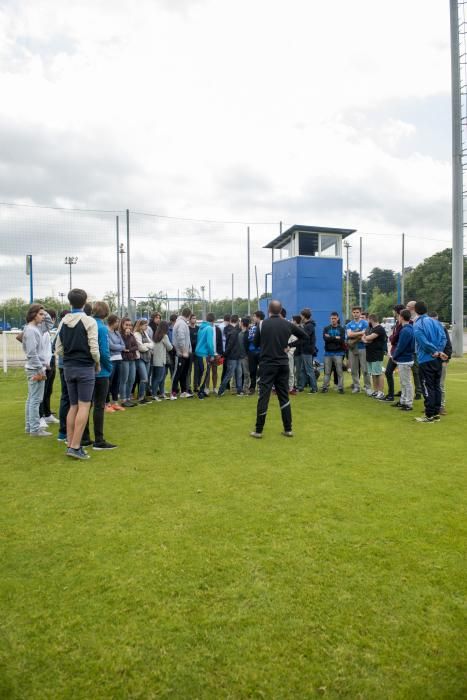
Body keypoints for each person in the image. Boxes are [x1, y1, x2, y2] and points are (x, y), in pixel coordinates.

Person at [250, 300, 306, 438]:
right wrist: (289, 344)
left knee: (264, 396)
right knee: (284, 396)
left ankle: (258, 430)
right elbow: (305, 336)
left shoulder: (262, 324)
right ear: (280, 311)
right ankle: (288, 429)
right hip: (282, 364)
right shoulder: (288, 324)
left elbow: (256, 343)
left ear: (269, 310)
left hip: (267, 364)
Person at [55, 288, 100, 460]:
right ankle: (75, 446)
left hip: (68, 367)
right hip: (84, 367)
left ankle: (70, 443)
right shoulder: (89, 321)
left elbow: (58, 348)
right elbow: (94, 348)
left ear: (69, 302)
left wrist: (69, 357)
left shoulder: (63, 321)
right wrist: (96, 362)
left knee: (73, 406)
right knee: (84, 406)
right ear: (85, 301)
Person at [81, 301, 117, 450]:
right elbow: (104, 351)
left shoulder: (85, 324)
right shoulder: (101, 328)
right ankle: (99, 440)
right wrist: (108, 367)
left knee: (85, 405)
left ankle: (84, 437)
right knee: (99, 405)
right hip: (100, 371)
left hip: (86, 369)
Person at [413, 301, 448, 422]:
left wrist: (435, 351)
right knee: (436, 385)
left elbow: (423, 342)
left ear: (415, 310)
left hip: (426, 359)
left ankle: (429, 415)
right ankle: (436, 413)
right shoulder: (436, 322)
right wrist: (439, 351)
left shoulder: (418, 324)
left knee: (428, 387)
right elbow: (444, 338)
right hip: (437, 359)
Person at [22, 304, 51, 437]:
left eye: (43, 314)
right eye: (40, 314)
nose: (43, 317)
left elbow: (50, 324)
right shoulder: (31, 330)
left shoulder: (37, 328)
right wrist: (41, 369)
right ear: (33, 314)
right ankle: (34, 429)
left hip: (36, 367)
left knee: (32, 399)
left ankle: (30, 427)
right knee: (35, 400)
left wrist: (43, 309)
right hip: (35, 369)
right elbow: (31, 353)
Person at [391, 309, 415, 412]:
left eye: (398, 316)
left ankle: (408, 403)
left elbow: (401, 346)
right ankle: (403, 401)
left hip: (405, 359)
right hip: (405, 359)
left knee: (406, 383)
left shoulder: (405, 330)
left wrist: (394, 356)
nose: (398, 318)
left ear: (401, 317)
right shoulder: (409, 329)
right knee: (404, 382)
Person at [38, 308, 59, 427]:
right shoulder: (39, 331)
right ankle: (40, 416)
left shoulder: (47, 332)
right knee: (42, 391)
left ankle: (47, 413)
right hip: (43, 365)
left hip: (50, 361)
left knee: (48, 390)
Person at [428, 312, 452, 415]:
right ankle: (432, 406)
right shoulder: (428, 330)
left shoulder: (442, 329)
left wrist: (446, 360)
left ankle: (441, 406)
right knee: (430, 384)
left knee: (440, 384)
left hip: (441, 360)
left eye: (436, 320)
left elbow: (448, 345)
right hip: (430, 360)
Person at [346, 306, 372, 394]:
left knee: (365, 369)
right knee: (354, 369)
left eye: (357, 312)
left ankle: (368, 387)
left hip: (363, 348)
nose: (355, 314)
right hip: (352, 348)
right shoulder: (349, 324)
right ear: (352, 313)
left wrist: (354, 334)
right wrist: (360, 333)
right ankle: (356, 387)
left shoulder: (365, 323)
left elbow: (365, 334)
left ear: (360, 313)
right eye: (354, 312)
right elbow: (349, 335)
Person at [361, 314, 387, 399]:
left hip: (377, 354)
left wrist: (366, 339)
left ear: (371, 319)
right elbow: (364, 338)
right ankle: (376, 391)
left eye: (368, 320)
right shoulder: (371, 329)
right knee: (373, 374)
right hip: (370, 354)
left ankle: (381, 392)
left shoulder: (379, 329)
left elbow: (367, 338)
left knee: (378, 373)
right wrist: (366, 339)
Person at [383, 304, 405, 402]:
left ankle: (397, 396)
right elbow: (393, 335)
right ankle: (391, 394)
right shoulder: (397, 322)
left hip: (398, 352)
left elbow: (395, 336)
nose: (393, 312)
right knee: (388, 372)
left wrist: (392, 338)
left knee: (391, 372)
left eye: (394, 311)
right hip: (394, 351)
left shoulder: (402, 323)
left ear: (397, 311)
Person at [218, 315, 243, 396]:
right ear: (237, 321)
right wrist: (225, 354)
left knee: (236, 373)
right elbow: (230, 344)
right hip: (233, 355)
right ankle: (221, 390)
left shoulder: (229, 329)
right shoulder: (234, 331)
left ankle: (239, 390)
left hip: (235, 354)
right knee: (231, 373)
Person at [321, 312, 346, 393]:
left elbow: (341, 340)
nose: (333, 320)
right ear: (330, 319)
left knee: (339, 372)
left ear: (337, 319)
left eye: (335, 318)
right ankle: (325, 387)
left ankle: (340, 388)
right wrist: (336, 338)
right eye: (332, 318)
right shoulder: (326, 328)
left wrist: (331, 337)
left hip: (338, 353)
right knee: (327, 372)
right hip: (328, 353)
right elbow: (325, 339)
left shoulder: (341, 329)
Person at [171, 307, 193, 398]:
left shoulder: (182, 323)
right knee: (177, 373)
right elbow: (181, 338)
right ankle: (173, 393)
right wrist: (184, 351)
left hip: (184, 353)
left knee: (183, 373)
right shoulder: (181, 324)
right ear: (189, 315)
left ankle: (184, 391)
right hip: (180, 353)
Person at [106, 314, 126, 412]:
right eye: (117, 322)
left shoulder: (117, 333)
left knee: (116, 382)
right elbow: (111, 346)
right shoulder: (106, 332)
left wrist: (119, 347)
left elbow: (123, 345)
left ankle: (114, 402)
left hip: (119, 359)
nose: (118, 324)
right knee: (109, 382)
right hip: (111, 359)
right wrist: (120, 347)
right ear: (112, 322)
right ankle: (107, 404)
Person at [195, 312, 217, 399]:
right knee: (205, 373)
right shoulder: (209, 328)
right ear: (213, 321)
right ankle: (201, 391)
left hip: (198, 352)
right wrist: (212, 354)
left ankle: (202, 390)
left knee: (201, 372)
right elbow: (210, 343)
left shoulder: (201, 327)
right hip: (204, 353)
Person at [119, 317, 139, 408]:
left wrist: (129, 350)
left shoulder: (132, 335)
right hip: (124, 360)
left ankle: (128, 398)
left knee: (132, 379)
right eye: (126, 325)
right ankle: (123, 399)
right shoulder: (120, 335)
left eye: (130, 325)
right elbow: (123, 347)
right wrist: (126, 336)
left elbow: (136, 346)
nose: (129, 327)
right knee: (124, 380)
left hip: (132, 359)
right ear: (122, 325)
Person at [297, 308, 318, 393]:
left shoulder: (309, 326)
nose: (300, 317)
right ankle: (301, 387)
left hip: (307, 351)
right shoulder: (307, 325)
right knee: (302, 370)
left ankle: (314, 388)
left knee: (309, 370)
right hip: (304, 350)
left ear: (304, 316)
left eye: (301, 315)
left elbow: (304, 337)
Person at [151, 320, 173, 400]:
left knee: (156, 378)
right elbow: (170, 347)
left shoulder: (155, 335)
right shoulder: (164, 336)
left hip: (155, 360)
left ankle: (161, 393)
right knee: (159, 378)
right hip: (161, 360)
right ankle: (154, 395)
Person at [406, 301, 423, 400]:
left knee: (416, 371)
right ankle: (407, 391)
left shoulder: (417, 319)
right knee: (405, 371)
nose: (406, 307)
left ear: (412, 308)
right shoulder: (408, 318)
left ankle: (418, 391)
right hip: (408, 350)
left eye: (407, 306)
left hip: (416, 350)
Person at [134, 319, 153, 405]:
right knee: (144, 378)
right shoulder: (136, 334)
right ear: (140, 325)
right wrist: (147, 346)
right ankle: (141, 397)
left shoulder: (145, 333)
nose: (146, 326)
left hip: (147, 358)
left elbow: (152, 344)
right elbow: (140, 347)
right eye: (145, 325)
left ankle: (143, 396)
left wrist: (147, 345)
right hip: (140, 358)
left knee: (146, 379)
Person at [247, 310, 264, 394]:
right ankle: (252, 387)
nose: (253, 318)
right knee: (252, 370)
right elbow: (249, 338)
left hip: (261, 351)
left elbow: (251, 338)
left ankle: (261, 387)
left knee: (262, 370)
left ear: (258, 317)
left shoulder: (265, 326)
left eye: (254, 316)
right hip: (252, 352)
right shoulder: (253, 327)